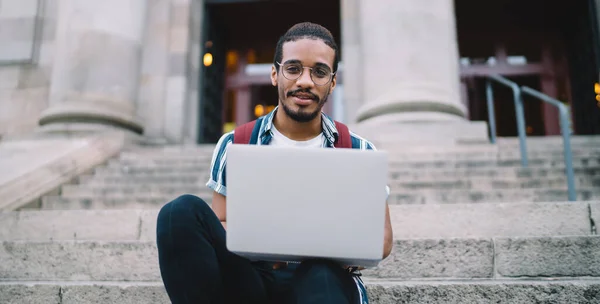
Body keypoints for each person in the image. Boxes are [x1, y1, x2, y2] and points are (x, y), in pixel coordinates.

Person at [156, 22, 393, 304]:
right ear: (274, 74)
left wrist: (318, 247)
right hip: (252, 278)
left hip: (323, 281)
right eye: (293, 69)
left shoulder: (358, 149)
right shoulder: (235, 143)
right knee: (178, 213)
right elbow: (222, 221)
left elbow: (382, 239)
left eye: (319, 72)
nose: (305, 81)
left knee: (321, 274)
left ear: (332, 82)